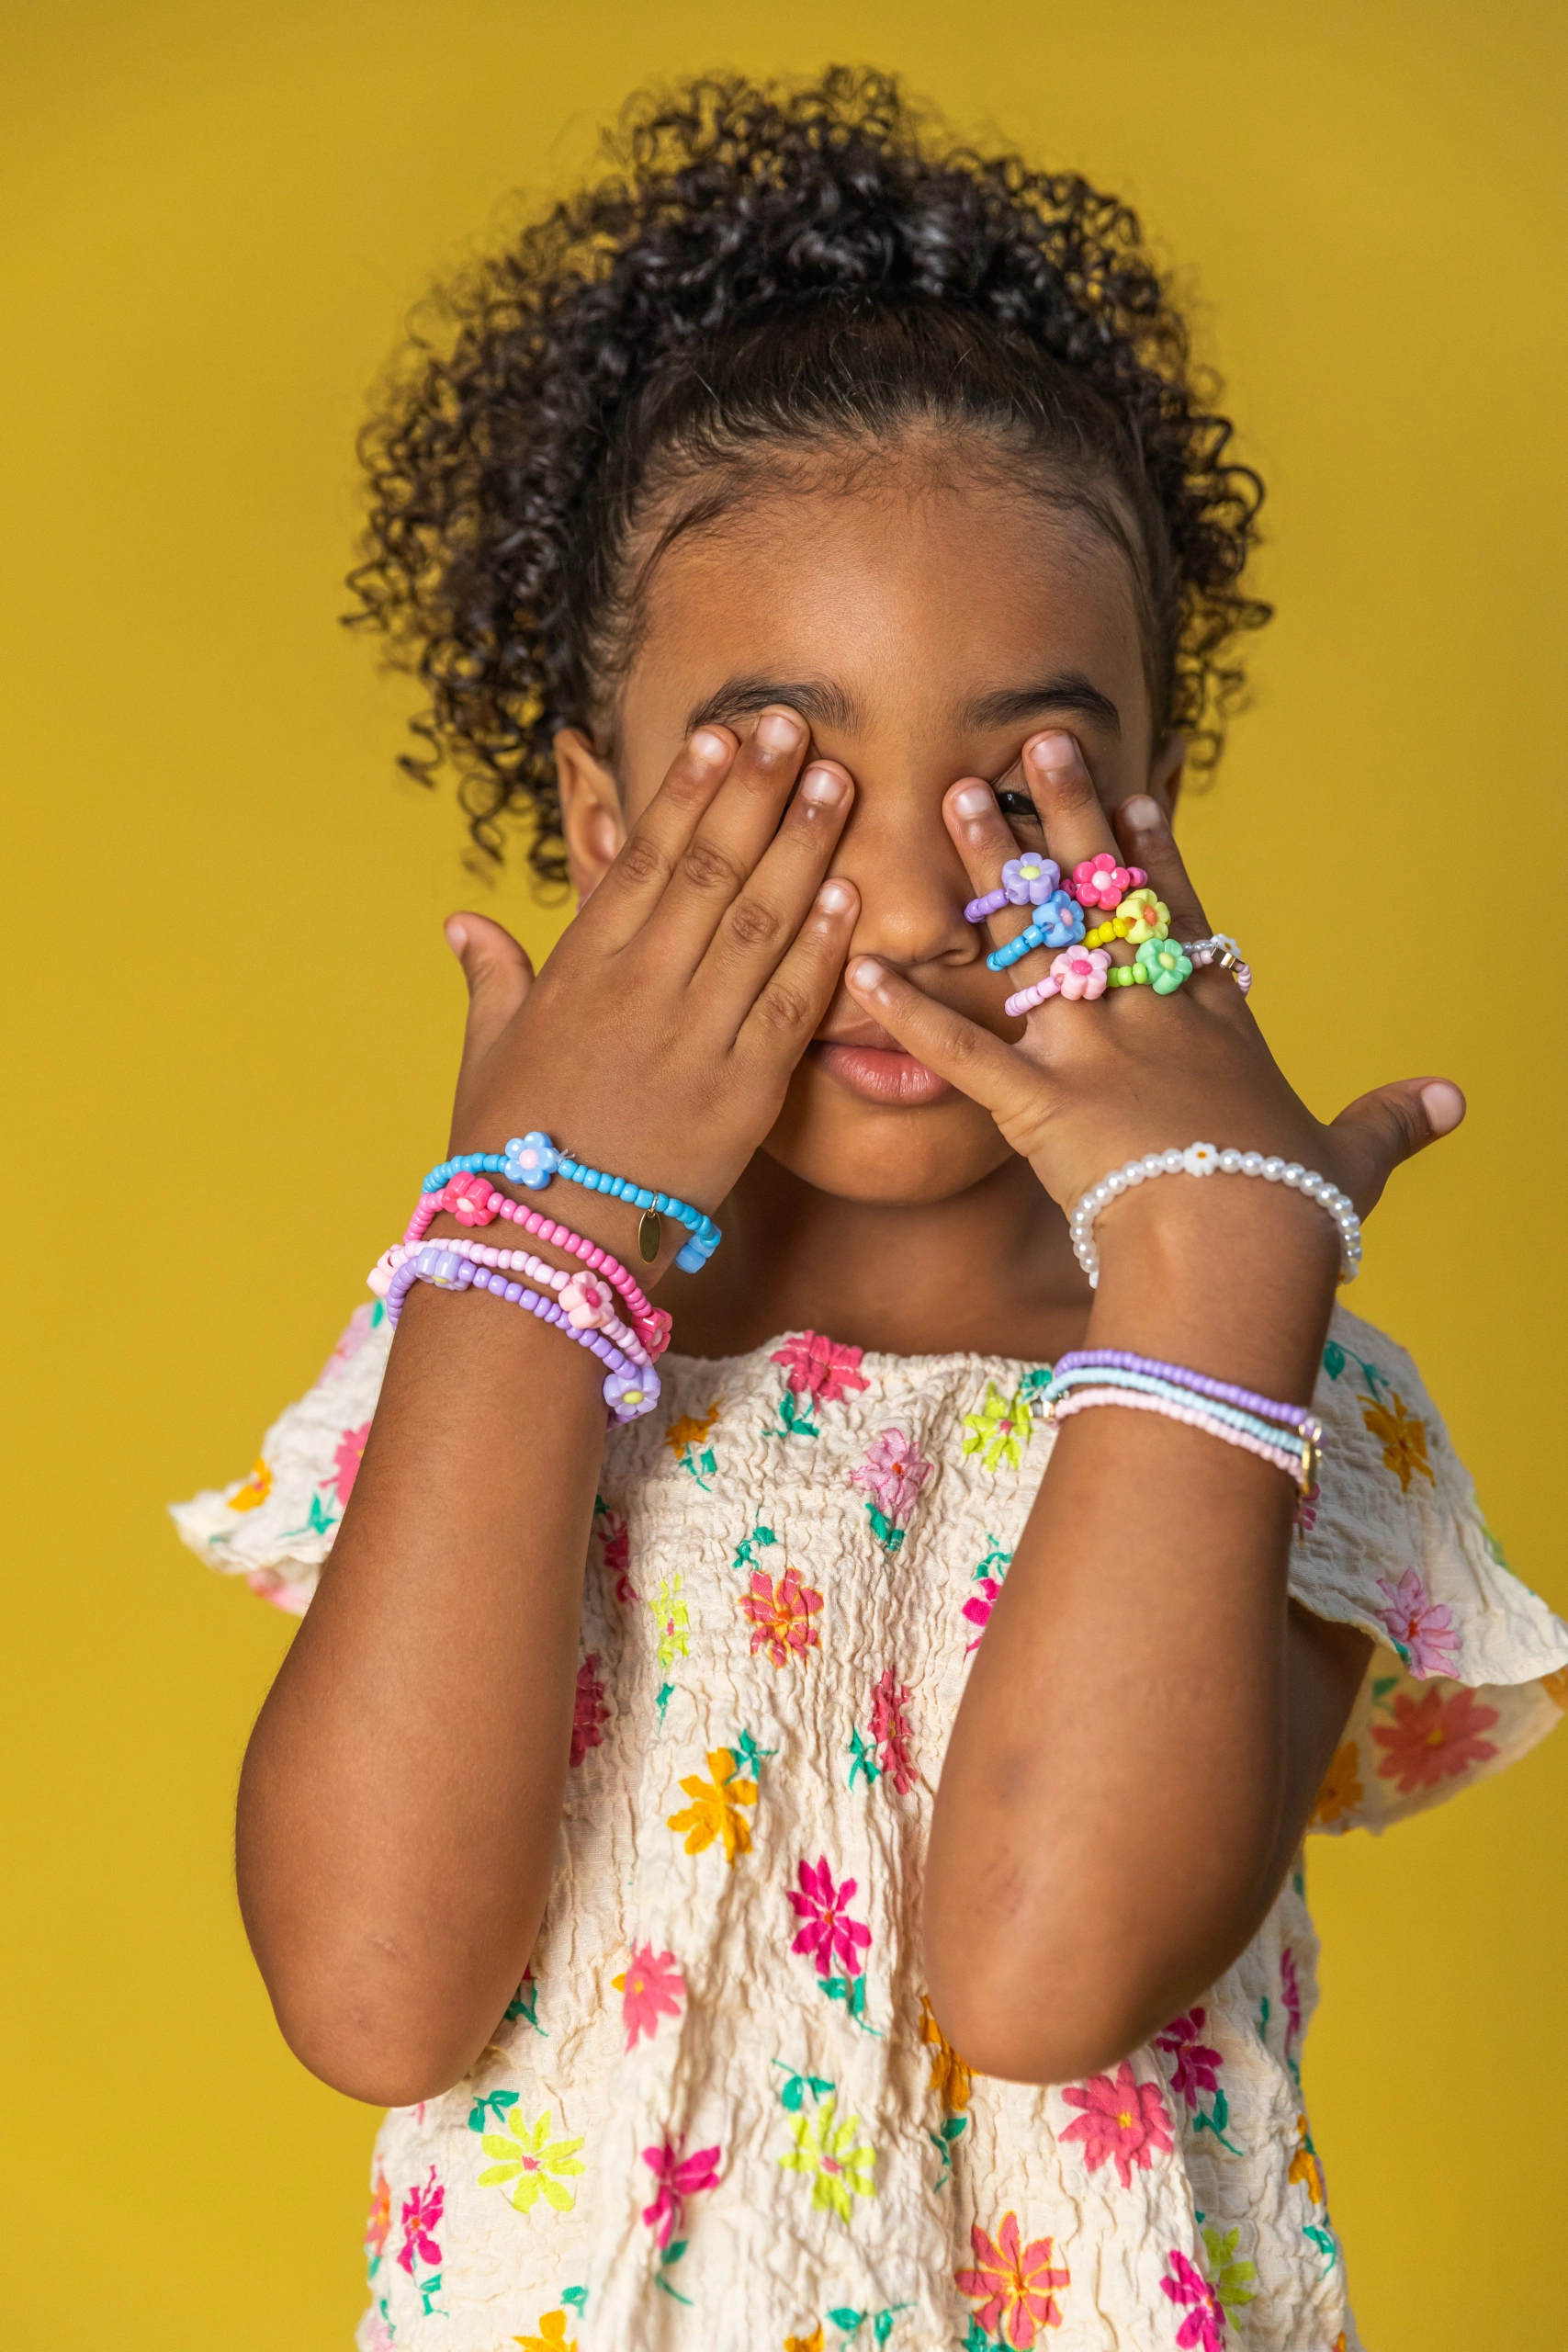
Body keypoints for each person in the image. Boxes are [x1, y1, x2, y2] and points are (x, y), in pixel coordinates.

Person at [173, 69, 1567, 2352]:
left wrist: (1214, 1281)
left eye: (1019, 778)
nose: (911, 897)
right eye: (788, 780)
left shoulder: (1269, 1374)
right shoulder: (492, 1333)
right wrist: (530, 1252)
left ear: (1146, 812)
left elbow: (1041, 1972)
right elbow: (371, 1984)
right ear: (602, 824)